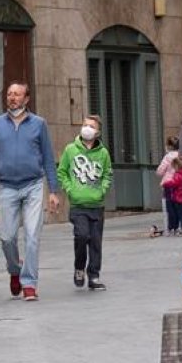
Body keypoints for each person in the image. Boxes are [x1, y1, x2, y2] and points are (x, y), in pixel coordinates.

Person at [0, 82, 59, 302]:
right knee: (6, 238)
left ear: (26, 99)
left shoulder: (39, 124)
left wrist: (53, 190)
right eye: (9, 94)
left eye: (17, 94)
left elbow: (48, 158)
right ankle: (15, 270)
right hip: (7, 187)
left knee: (33, 236)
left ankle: (30, 283)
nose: (12, 97)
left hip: (34, 185)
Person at [57, 115, 112, 291]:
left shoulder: (103, 153)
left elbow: (107, 174)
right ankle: (79, 267)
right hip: (78, 205)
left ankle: (94, 275)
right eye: (85, 125)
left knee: (95, 241)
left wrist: (102, 189)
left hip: (96, 204)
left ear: (98, 132)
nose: (87, 128)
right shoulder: (71, 150)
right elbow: (62, 171)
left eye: (91, 126)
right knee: (82, 236)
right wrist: (69, 189)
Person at [154, 137, 182, 236]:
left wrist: (160, 172)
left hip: (169, 184)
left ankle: (171, 227)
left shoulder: (167, 157)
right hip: (179, 184)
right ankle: (179, 226)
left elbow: (160, 170)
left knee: (169, 207)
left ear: (169, 146)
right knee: (178, 206)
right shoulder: (181, 155)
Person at [162, 162, 182, 235]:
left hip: (179, 197)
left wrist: (165, 183)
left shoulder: (180, 174)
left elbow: (174, 182)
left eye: (174, 167)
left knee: (181, 214)